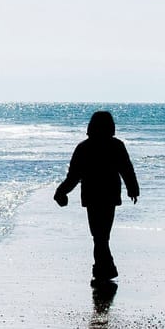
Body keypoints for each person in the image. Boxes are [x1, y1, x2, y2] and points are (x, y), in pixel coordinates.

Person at [53, 110, 140, 285]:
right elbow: (126, 169)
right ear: (111, 127)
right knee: (102, 234)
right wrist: (133, 189)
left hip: (92, 195)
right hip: (109, 194)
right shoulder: (116, 145)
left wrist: (61, 192)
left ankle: (103, 269)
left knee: (98, 235)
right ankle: (104, 269)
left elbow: (73, 176)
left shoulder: (84, 147)